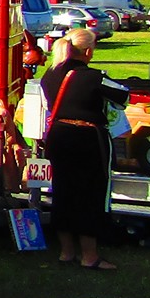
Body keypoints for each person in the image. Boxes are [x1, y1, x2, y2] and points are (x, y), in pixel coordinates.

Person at [38, 27, 131, 269]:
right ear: (88, 51)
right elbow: (123, 96)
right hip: (87, 138)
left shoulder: (51, 73)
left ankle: (66, 252)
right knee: (90, 194)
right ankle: (89, 256)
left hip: (58, 136)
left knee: (63, 191)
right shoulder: (93, 77)